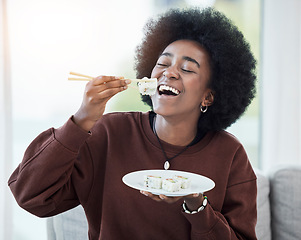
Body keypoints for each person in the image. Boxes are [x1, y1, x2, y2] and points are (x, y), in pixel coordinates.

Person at [8, 7, 258, 240]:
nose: (168, 72)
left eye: (187, 69)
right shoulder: (109, 133)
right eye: (162, 63)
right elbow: (29, 195)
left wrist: (196, 205)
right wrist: (81, 119)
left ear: (208, 96)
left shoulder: (230, 154)